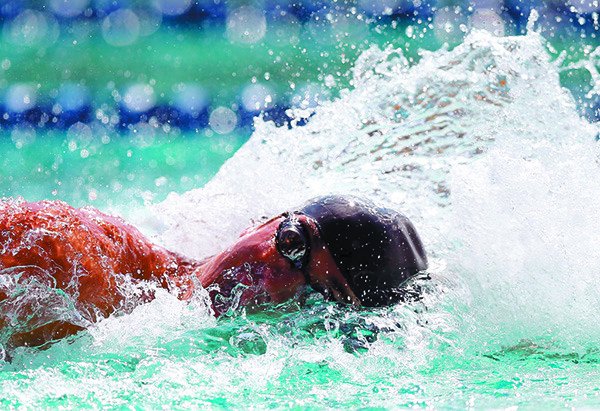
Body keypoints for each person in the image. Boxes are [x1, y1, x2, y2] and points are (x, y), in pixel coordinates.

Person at [0, 195, 427, 348]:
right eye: (291, 244)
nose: (276, 281)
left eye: (314, 292)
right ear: (260, 223)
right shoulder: (72, 258)